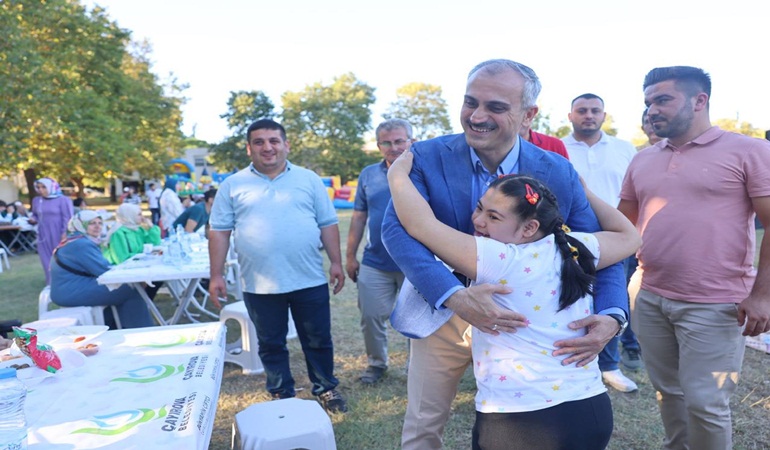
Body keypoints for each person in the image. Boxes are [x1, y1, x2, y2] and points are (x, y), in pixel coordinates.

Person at [381, 59, 629, 449]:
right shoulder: (425, 157)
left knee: (527, 424)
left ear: (528, 114)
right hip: (442, 311)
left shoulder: (558, 171)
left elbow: (596, 247)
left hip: (527, 326)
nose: (477, 116)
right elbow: (397, 232)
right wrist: (455, 296)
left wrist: (614, 314)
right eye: (469, 102)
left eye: (495, 107)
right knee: (423, 425)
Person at [618, 66, 770, 450]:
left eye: (663, 100)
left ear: (699, 100)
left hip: (717, 303)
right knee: (668, 391)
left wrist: (762, 294)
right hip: (649, 294)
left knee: (707, 402)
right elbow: (621, 225)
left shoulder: (750, 151)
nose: (652, 110)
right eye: (649, 102)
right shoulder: (642, 160)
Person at [208, 119, 348, 414]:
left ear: (286, 145)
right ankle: (280, 392)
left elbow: (328, 223)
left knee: (318, 339)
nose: (267, 147)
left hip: (309, 278)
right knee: (271, 342)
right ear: (249, 149)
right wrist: (216, 274)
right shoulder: (232, 185)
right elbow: (219, 231)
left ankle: (326, 388)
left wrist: (336, 262)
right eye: (259, 142)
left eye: (274, 140)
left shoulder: (309, 179)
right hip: (259, 282)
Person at [562, 93, 642, 389]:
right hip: (568, 237)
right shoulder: (559, 149)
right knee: (572, 298)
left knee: (611, 297)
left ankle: (609, 365)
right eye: (581, 110)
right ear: (570, 116)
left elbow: (637, 196)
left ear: (604, 116)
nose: (589, 115)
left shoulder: (624, 149)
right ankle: (574, 359)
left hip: (615, 237)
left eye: (595, 110)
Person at [345, 119, 410, 385]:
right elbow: (359, 216)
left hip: (415, 263)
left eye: (399, 141)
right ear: (379, 145)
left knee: (416, 321)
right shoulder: (368, 175)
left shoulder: (424, 170)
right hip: (375, 261)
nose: (393, 147)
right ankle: (376, 364)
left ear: (410, 141)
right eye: (387, 142)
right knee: (370, 316)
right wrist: (350, 255)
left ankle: (416, 367)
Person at [49, 210, 154, 329]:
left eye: (100, 223)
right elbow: (104, 271)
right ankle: (140, 331)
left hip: (70, 288)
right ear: (79, 225)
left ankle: (117, 328)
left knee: (124, 289)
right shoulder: (81, 244)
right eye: (92, 223)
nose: (97, 226)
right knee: (130, 290)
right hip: (70, 291)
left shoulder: (75, 240)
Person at [28, 177, 73, 285]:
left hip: (59, 232)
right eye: (38, 187)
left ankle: (65, 281)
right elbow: (35, 214)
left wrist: (64, 233)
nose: (41, 190)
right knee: (45, 257)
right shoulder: (37, 200)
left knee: (61, 257)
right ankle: (51, 282)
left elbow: (68, 217)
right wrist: (33, 219)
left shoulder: (63, 200)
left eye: (44, 187)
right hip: (43, 233)